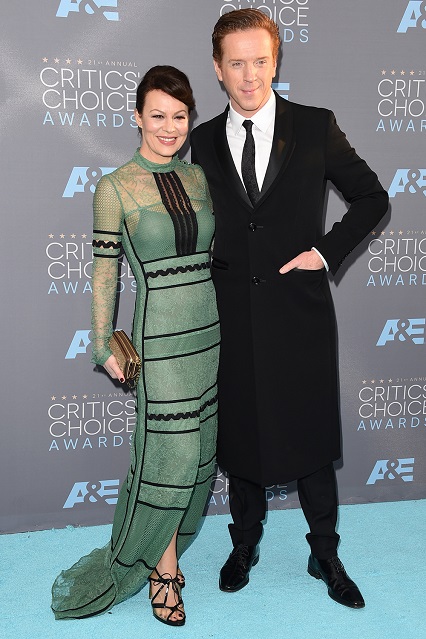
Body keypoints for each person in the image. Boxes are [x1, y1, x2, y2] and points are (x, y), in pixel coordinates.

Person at [191, 9, 388, 609]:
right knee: (242, 437)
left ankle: (324, 552)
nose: (250, 77)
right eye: (236, 64)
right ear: (218, 70)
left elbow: (371, 198)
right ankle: (243, 543)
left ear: (276, 61)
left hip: (298, 313)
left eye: (261, 61)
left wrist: (324, 254)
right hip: (229, 315)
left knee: (309, 439)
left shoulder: (315, 125)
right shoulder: (198, 142)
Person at [51, 66, 220, 626]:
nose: (170, 128)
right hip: (159, 343)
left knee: (199, 458)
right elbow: (106, 274)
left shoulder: (199, 177)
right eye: (158, 116)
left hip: (209, 337)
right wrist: (103, 343)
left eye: (180, 116)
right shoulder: (115, 187)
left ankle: (166, 554)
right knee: (169, 461)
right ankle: (162, 571)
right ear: (137, 117)